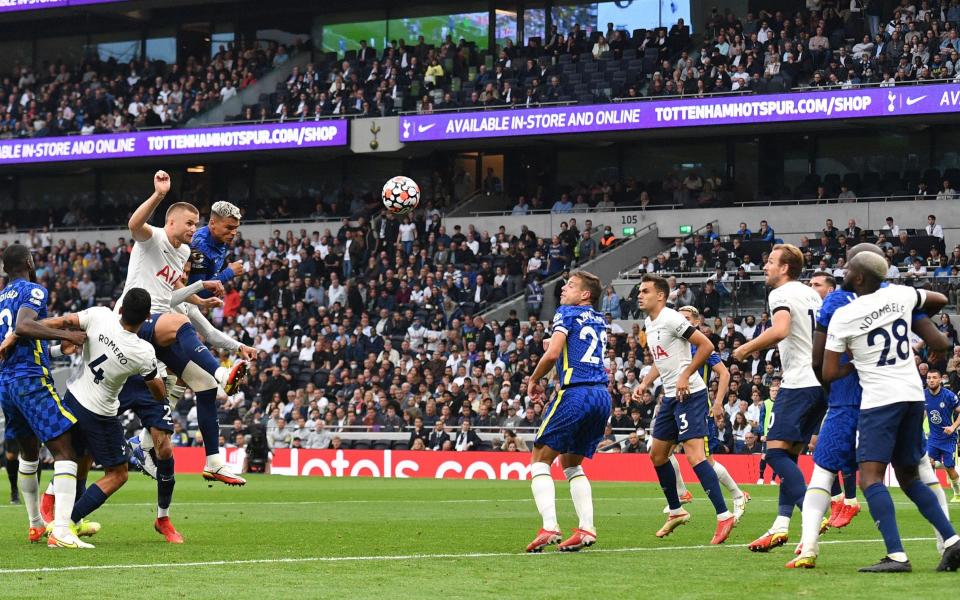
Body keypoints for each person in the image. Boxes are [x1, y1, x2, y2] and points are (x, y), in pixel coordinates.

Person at [114, 171, 248, 544]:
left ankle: (212, 462)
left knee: (175, 426)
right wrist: (158, 194)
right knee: (181, 329)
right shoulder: (154, 237)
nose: (194, 229)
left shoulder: (185, 253)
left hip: (158, 326)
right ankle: (222, 374)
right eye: (190, 223)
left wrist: (197, 294)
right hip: (132, 326)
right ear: (172, 222)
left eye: (196, 223)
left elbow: (171, 297)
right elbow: (134, 224)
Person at [822, 251, 960, 572]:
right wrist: (909, 311)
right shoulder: (899, 295)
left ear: (858, 278)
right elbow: (938, 298)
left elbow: (829, 371)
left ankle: (897, 555)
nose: (843, 271)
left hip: (880, 400)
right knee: (909, 475)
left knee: (869, 478)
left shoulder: (845, 313)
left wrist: (857, 362)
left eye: (848, 268)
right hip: (913, 396)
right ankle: (953, 541)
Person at [23, 289, 164, 546]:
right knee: (118, 473)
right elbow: (157, 391)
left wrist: (26, 328)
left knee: (81, 461)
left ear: (120, 309)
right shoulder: (143, 351)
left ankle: (61, 515)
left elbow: (62, 321)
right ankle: (66, 523)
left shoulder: (100, 315)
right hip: (99, 413)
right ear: (147, 317)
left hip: (73, 398)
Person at [732, 244, 824, 552]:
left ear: (785, 269)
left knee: (773, 454)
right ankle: (781, 525)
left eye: (770, 262)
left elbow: (781, 329)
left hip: (799, 382)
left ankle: (812, 510)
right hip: (820, 383)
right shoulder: (812, 293)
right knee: (790, 455)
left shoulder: (780, 294)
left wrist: (746, 348)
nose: (765, 266)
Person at [635, 274, 735, 545]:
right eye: (639, 291)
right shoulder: (649, 322)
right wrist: (645, 382)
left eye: (645, 291)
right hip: (670, 397)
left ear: (660, 295)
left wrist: (685, 374)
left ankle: (724, 515)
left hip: (690, 393)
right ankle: (677, 510)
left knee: (694, 455)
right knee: (657, 455)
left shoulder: (672, 318)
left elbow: (707, 346)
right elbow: (660, 359)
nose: (639, 295)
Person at [0, 243, 88, 548]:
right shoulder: (33, 290)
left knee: (29, 454)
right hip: (30, 381)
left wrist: (54, 349)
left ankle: (36, 525)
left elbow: (17, 342)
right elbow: (24, 327)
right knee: (68, 451)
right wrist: (68, 335)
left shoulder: (0, 299)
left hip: (7, 384)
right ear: (28, 261)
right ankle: (62, 530)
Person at [525, 271, 611, 552]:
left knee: (539, 460)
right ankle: (587, 528)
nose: (563, 289)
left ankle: (549, 526)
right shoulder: (600, 320)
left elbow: (553, 354)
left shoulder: (567, 313)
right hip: (601, 395)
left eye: (571, 286)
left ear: (585, 294)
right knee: (572, 465)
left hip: (576, 393)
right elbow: (573, 350)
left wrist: (534, 379)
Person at [639, 305, 750, 522]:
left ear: (695, 323)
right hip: (674, 401)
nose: (681, 320)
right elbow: (658, 365)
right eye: (680, 317)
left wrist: (718, 403)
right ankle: (681, 494)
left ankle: (738, 494)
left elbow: (724, 373)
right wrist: (645, 383)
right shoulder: (672, 341)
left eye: (687, 318)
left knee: (703, 459)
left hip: (696, 404)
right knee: (658, 450)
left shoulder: (698, 348)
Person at [925, 369, 960, 501]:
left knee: (950, 468)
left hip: (949, 438)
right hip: (933, 438)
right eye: (928, 378)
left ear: (940, 380)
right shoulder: (924, 395)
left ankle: (957, 493)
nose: (931, 380)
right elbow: (923, 414)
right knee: (928, 464)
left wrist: (953, 427)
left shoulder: (949, 396)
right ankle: (933, 494)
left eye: (934, 377)